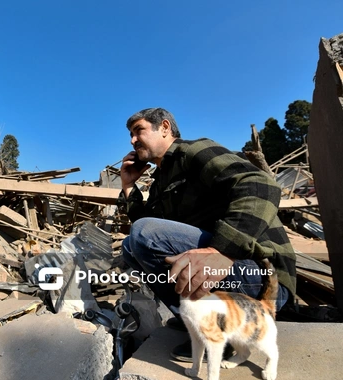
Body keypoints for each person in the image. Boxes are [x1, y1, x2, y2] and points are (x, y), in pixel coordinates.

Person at [118, 107, 296, 361]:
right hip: (232, 280)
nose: (133, 141)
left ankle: (221, 332)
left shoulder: (194, 151)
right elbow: (145, 235)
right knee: (130, 245)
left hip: (262, 278)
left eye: (138, 131)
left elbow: (260, 185)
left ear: (165, 128)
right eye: (130, 135)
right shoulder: (162, 179)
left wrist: (222, 251)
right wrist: (127, 185)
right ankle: (199, 321)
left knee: (143, 233)